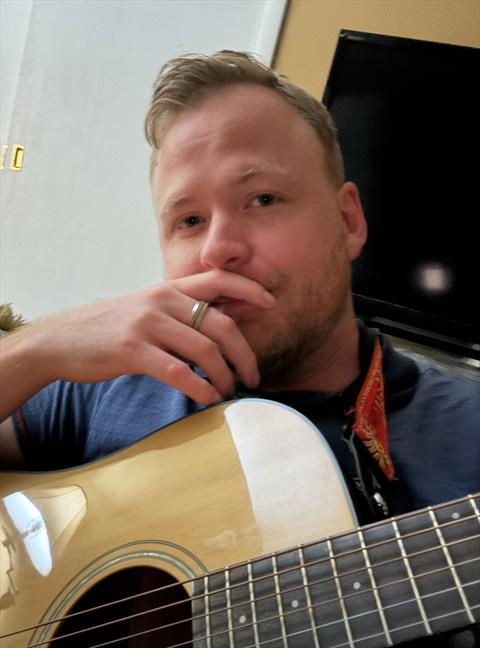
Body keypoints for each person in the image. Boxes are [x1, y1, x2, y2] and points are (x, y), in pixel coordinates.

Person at [0, 50, 479, 645]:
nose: (217, 249)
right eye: (189, 221)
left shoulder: (468, 434)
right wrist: (35, 349)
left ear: (348, 221)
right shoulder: (106, 385)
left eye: (262, 199)